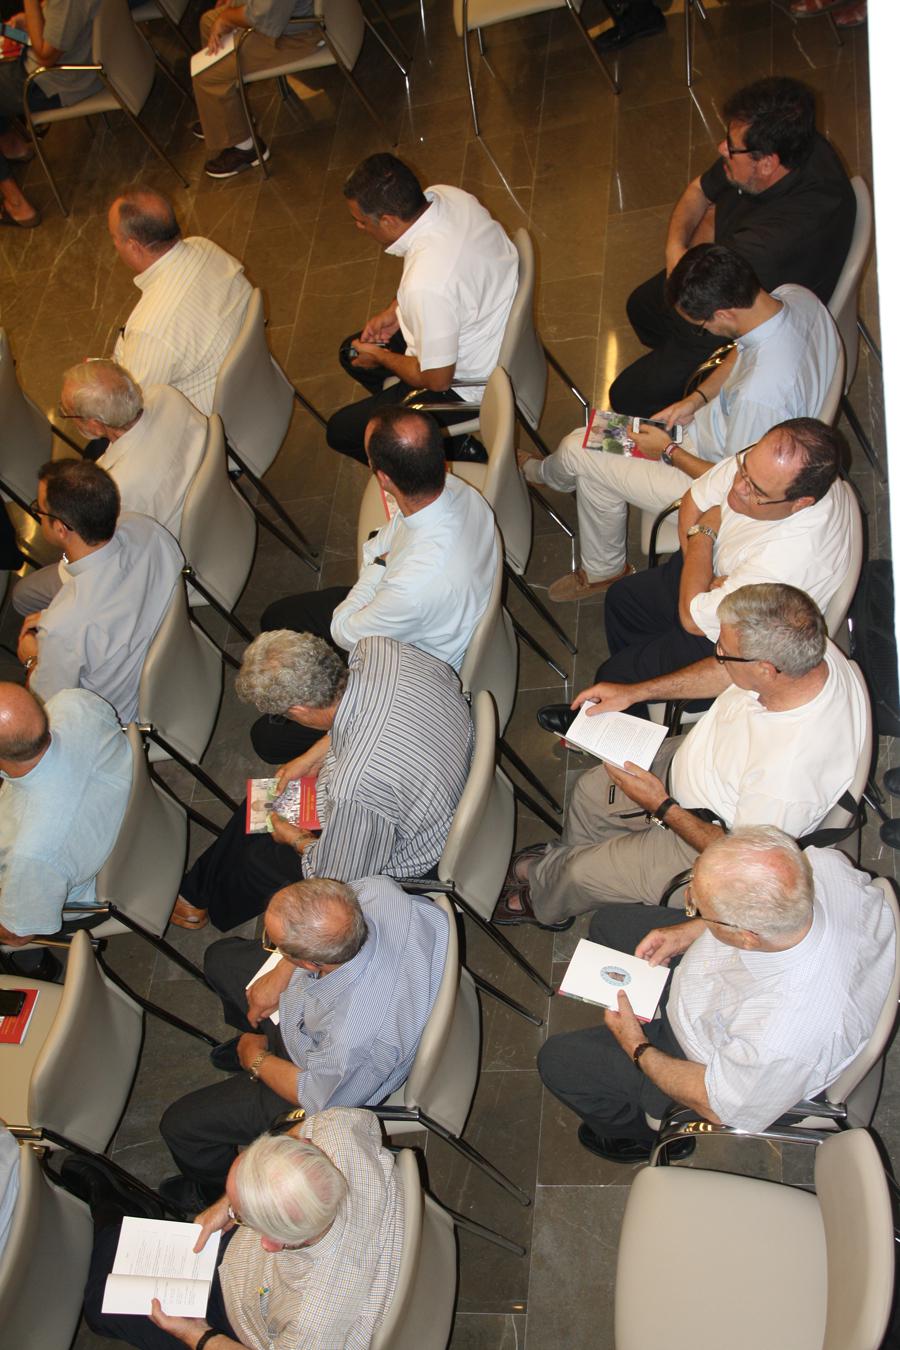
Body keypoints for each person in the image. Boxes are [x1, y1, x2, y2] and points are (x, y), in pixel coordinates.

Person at [495, 584, 867, 929]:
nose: (716, 653)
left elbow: (740, 858)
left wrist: (661, 806)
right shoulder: (805, 649)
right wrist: (635, 692)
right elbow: (723, 673)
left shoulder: (786, 780)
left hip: (701, 838)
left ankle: (547, 900)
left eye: (723, 650)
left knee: (578, 874)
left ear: (765, 670)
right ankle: (556, 873)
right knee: (588, 793)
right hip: (688, 766)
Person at [537, 828, 895, 1163]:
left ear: (746, 937)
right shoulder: (821, 866)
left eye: (698, 908)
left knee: (558, 1062)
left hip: (700, 1058)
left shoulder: (780, 1039)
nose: (689, 903)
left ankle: (641, 1138)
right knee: (608, 922)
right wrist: (690, 930)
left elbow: (717, 1104)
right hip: (713, 984)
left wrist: (637, 1047)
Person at [522, 244, 841, 601]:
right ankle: (601, 568)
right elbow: (741, 350)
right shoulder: (792, 296)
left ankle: (544, 475)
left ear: (723, 313)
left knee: (577, 447)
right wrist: (696, 399)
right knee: (592, 460)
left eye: (703, 327)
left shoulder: (761, 397)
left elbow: (731, 482)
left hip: (706, 478)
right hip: (710, 431)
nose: (706, 333)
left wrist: (668, 450)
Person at [159, 876, 448, 1210]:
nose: (272, 946)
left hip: (321, 1078)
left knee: (181, 1125)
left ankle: (215, 1192)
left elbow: (318, 1097)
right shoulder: (378, 892)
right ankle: (260, 1034)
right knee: (220, 958)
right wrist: (281, 972)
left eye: (276, 944)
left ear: (311, 963)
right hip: (322, 1019)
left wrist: (256, 1060)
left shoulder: (353, 1041)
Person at [171, 633, 472, 931]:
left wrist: (295, 838)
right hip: (448, 777)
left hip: (424, 853)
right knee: (263, 802)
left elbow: (336, 876)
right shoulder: (379, 648)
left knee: (260, 859)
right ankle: (194, 892)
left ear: (299, 710)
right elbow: (378, 712)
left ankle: (213, 906)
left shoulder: (355, 786)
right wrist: (312, 755)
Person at [253, 406, 496, 762]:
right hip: (426, 613)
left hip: (414, 666)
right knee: (278, 616)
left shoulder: (412, 587)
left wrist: (378, 566)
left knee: (267, 739)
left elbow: (342, 632)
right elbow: (384, 541)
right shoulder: (458, 490)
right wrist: (379, 561)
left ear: (383, 478)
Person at [609, 77, 855, 415]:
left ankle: (694, 378)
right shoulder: (791, 143)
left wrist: (700, 237)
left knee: (625, 396)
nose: (721, 148)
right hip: (722, 284)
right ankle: (677, 367)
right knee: (640, 306)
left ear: (767, 163)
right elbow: (699, 191)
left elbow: (694, 305)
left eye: (732, 146)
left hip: (735, 319)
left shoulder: (769, 246)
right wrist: (676, 252)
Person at [84, 1108, 405, 1350]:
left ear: (271, 1243)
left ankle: (110, 1209)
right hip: (266, 1271)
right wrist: (225, 1206)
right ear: (306, 1147)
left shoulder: (311, 1320)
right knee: (119, 1251)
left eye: (239, 1215)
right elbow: (304, 1126)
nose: (230, 1212)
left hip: (235, 1318)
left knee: (100, 1305)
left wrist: (198, 1336)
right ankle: (113, 1212)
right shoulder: (341, 1135)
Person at [598, 418, 851, 686]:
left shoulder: (785, 562)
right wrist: (703, 576)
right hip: (711, 573)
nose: (737, 487)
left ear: (800, 503)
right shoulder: (769, 464)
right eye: (744, 469)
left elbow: (693, 621)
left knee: (614, 677)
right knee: (621, 599)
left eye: (756, 490)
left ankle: (647, 689)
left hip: (734, 639)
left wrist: (703, 533)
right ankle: (644, 658)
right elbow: (694, 500)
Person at [326, 153, 518, 464]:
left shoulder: (425, 285)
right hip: (493, 326)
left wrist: (382, 357)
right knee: (350, 352)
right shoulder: (450, 197)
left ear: (388, 221)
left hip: (471, 386)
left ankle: (450, 452)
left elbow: (437, 380)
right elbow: (446, 280)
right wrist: (395, 311)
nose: (359, 227)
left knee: (341, 431)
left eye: (361, 220)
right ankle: (428, 429)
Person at [13, 360, 205, 615]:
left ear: (94, 425)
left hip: (163, 563)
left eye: (67, 412)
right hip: (204, 509)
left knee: (24, 594)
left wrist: (66, 562)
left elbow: (97, 558)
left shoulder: (115, 490)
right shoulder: (167, 396)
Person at [16, 459, 183, 724]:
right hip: (179, 659)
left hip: (124, 716)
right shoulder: (145, 527)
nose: (38, 516)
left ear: (60, 528)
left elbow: (46, 707)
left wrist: (32, 659)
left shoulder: (64, 625)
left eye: (40, 511)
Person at [0, 684, 130, 958]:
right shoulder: (75, 702)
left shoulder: (33, 853)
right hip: (121, 827)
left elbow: (19, 933)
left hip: (81, 897)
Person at [109, 188, 252, 415]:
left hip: (218, 422)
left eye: (114, 238)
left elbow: (131, 407)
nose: (114, 245)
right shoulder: (205, 246)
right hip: (257, 381)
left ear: (134, 247)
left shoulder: (151, 329)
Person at [0, 0, 103, 227]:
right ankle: (12, 146)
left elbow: (46, 56)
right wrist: (32, 20)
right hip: (82, 56)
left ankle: (16, 204)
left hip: (61, 80)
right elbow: (63, 19)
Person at [192, 0, 320, 179]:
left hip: (295, 35)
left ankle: (246, 148)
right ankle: (230, 117)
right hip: (288, 17)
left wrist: (227, 17)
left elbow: (261, 15)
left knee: (207, 76)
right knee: (208, 21)